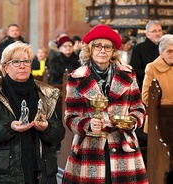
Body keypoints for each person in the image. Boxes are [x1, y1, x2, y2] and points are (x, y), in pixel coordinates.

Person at [62, 24, 148, 183]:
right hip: (89, 147)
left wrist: (132, 122)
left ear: (113, 51)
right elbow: (70, 116)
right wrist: (87, 124)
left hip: (123, 145)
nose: (102, 50)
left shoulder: (128, 73)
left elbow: (139, 108)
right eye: (98, 46)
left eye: (108, 47)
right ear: (90, 49)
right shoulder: (77, 77)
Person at [0, 41, 65, 184]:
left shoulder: (45, 93)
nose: (22, 65)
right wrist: (9, 127)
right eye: (16, 62)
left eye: (26, 61)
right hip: (5, 174)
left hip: (40, 172)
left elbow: (59, 132)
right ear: (5, 67)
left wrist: (47, 128)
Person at [141, 34, 173, 133]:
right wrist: (168, 104)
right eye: (169, 51)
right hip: (158, 122)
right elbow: (146, 97)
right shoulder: (152, 68)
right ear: (161, 53)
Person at [130, 20, 163, 91]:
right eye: (154, 31)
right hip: (145, 87)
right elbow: (135, 70)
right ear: (147, 34)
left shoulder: (165, 48)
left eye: (160, 31)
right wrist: (152, 75)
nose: (158, 34)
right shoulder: (138, 48)